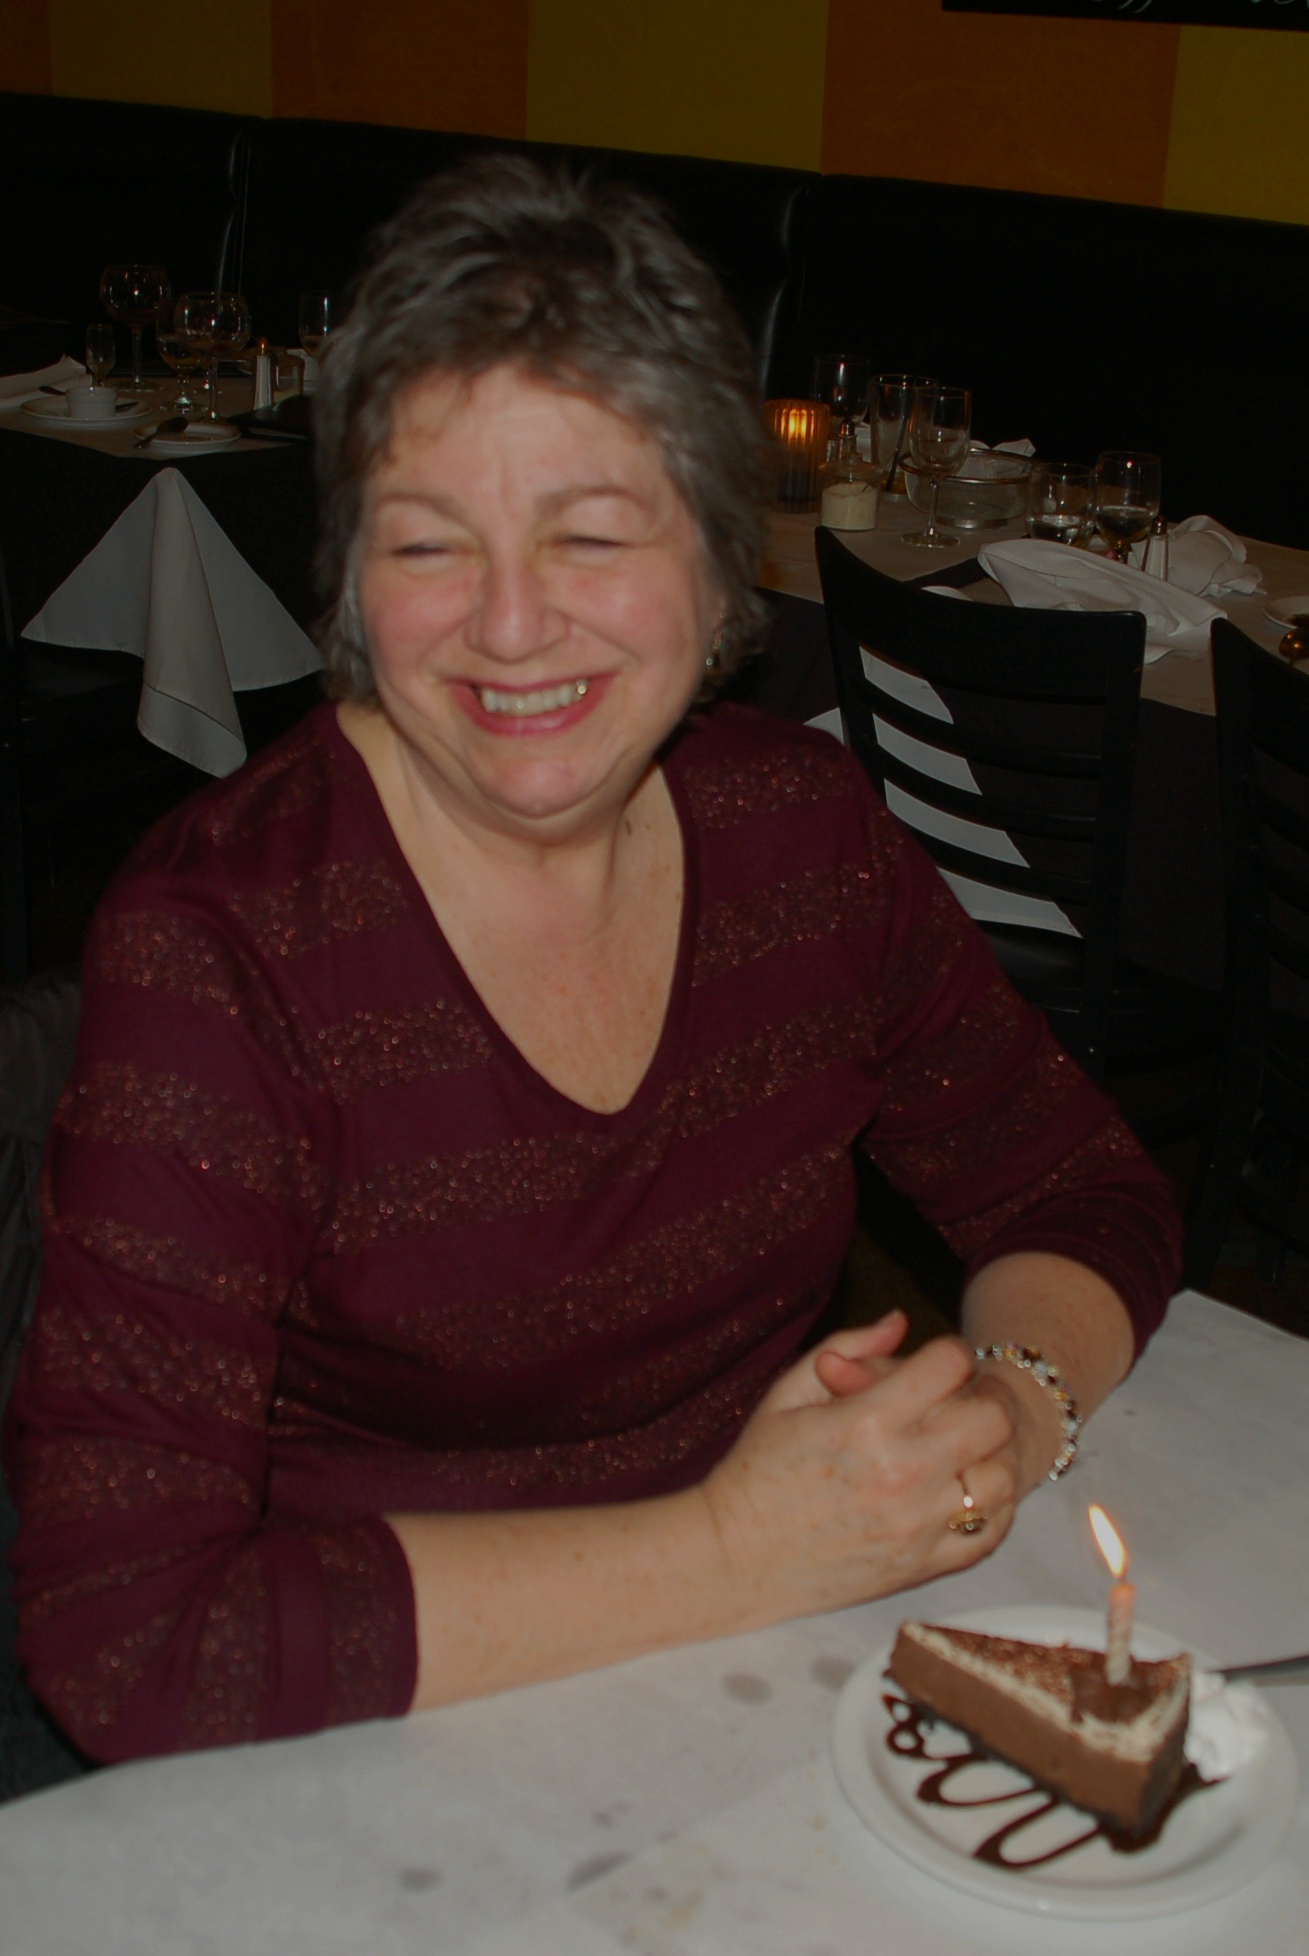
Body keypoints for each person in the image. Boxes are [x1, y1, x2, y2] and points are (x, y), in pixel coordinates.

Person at [2, 158, 1179, 1764]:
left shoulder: (801, 835)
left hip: (753, 1688)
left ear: (717, 561)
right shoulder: (220, 947)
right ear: (347, 581)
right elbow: (128, 1636)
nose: (509, 626)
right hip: (369, 1734)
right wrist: (733, 1549)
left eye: (593, 535)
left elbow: (1079, 1191)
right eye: (429, 547)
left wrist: (1002, 1421)